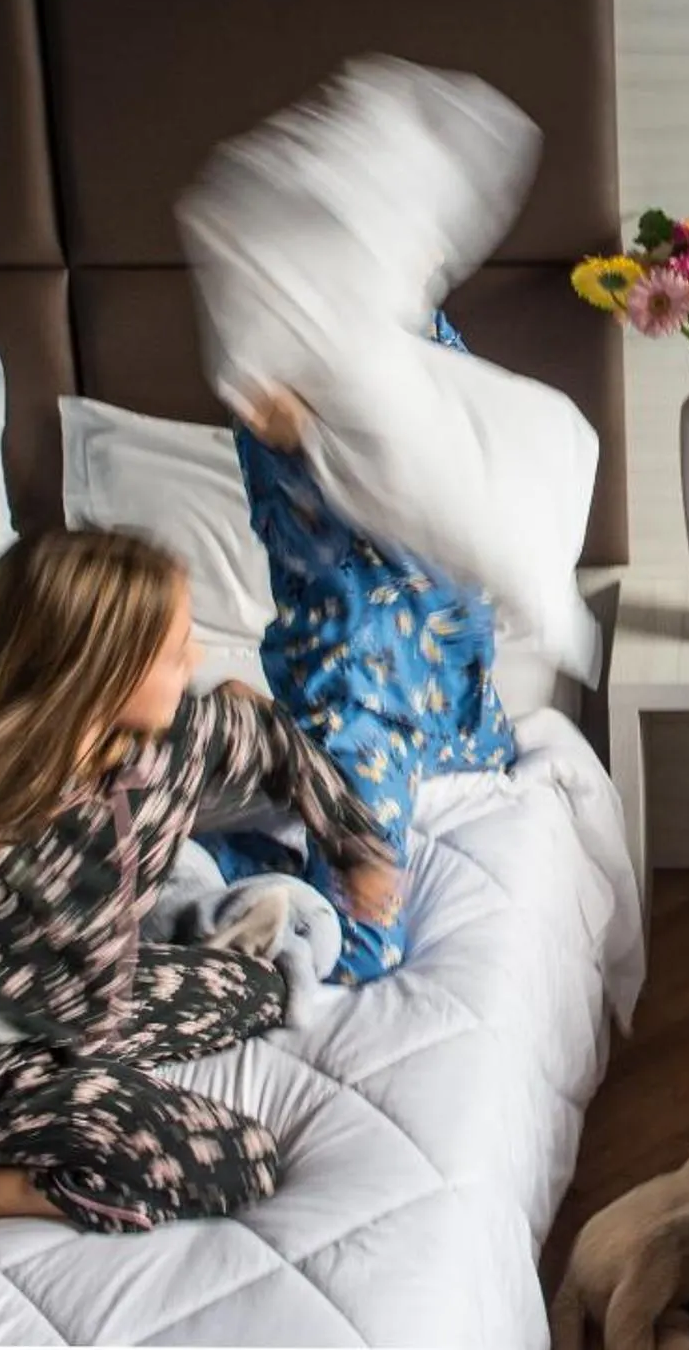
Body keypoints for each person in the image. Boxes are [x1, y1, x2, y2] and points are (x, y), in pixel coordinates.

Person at [0, 528, 401, 1268]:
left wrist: (354, 846)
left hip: (89, 1006)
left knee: (263, 988)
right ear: (100, 671)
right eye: (176, 651)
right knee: (242, 1161)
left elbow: (274, 744)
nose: (196, 662)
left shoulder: (181, 742)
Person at [226, 328, 517, 984]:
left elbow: (484, 474)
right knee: (360, 952)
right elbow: (311, 555)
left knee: (503, 757)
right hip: (357, 704)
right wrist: (300, 443)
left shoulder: (424, 329)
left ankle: (265, 752)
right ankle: (193, 859)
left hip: (456, 698)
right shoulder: (272, 374)